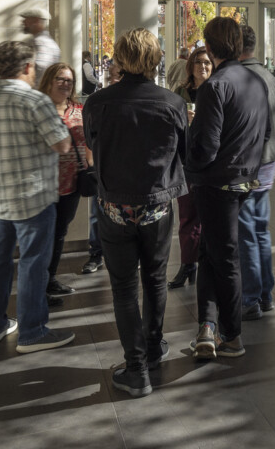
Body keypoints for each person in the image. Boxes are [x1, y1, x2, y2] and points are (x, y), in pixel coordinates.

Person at [83, 28, 189, 398]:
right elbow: (184, 155)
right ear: (155, 58)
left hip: (114, 207)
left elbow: (94, 147)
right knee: (156, 280)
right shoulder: (171, 103)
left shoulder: (97, 104)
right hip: (157, 206)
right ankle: (155, 346)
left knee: (124, 287)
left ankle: (135, 367)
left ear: (120, 59)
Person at [0, 39, 73, 353]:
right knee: (32, 264)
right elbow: (62, 145)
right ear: (28, 67)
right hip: (33, 198)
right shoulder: (35, 101)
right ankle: (32, 332)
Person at [186, 17, 269, 361]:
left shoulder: (214, 87)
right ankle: (207, 327)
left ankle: (231, 335)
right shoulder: (256, 81)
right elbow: (262, 136)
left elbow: (205, 147)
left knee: (223, 257)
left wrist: (187, 158)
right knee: (212, 251)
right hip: (244, 180)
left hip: (215, 183)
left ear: (209, 45)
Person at [236, 24, 275, 321]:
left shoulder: (241, 77)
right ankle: (266, 295)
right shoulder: (268, 75)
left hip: (247, 164)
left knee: (246, 232)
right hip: (267, 163)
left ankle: (251, 297)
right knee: (261, 230)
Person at [38, 62, 87, 308]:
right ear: (48, 80)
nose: (66, 84)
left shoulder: (78, 109)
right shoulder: (40, 108)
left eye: (69, 80)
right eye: (61, 79)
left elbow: (88, 140)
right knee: (44, 236)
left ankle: (50, 279)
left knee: (59, 234)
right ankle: (40, 287)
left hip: (73, 183)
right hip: (44, 184)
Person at [166, 46, 214, 290]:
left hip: (211, 167)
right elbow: (168, 126)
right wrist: (184, 119)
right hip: (185, 164)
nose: (202, 67)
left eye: (207, 62)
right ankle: (187, 265)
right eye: (198, 62)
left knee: (210, 220)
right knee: (187, 217)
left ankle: (206, 265)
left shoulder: (218, 90)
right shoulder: (179, 93)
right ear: (190, 66)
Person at [21, 6, 60, 76]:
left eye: (26, 19)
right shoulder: (43, 40)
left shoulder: (40, 42)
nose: (23, 21)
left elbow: (41, 68)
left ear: (36, 21)